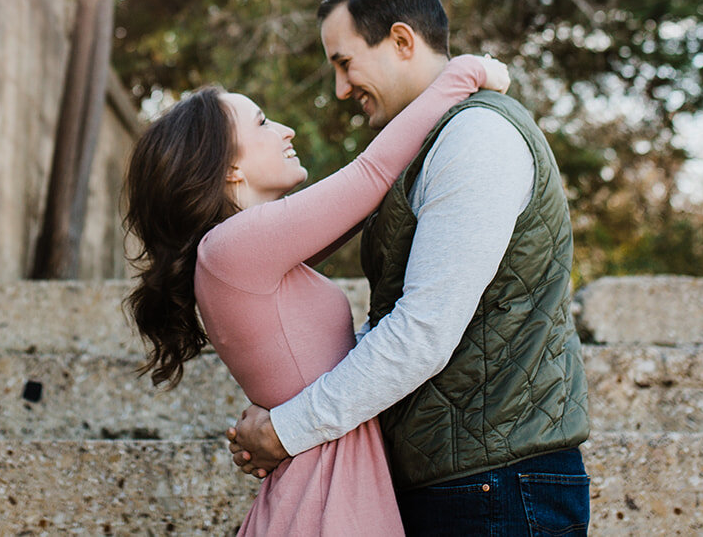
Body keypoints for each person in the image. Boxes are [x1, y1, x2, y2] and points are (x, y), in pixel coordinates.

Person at [226, 0, 591, 537]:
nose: (340, 89)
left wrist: (287, 430)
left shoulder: (477, 138)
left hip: (498, 486)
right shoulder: (430, 146)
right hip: (463, 478)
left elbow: (422, 331)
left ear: (401, 41)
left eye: (344, 63)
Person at [123, 47, 510, 536]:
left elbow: (365, 204)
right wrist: (464, 72)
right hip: (325, 498)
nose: (285, 130)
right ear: (228, 170)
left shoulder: (240, 254)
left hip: (324, 485)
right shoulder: (230, 249)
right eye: (262, 123)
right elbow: (371, 177)